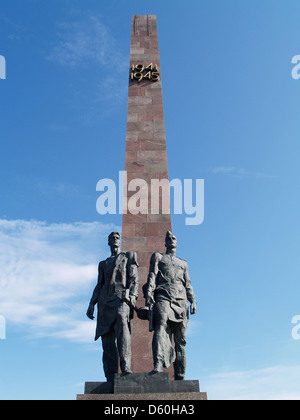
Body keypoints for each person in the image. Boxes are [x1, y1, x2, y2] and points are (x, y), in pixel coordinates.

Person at [86, 232, 139, 381]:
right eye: (112, 238)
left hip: (121, 298)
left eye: (117, 238)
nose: (115, 240)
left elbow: (134, 278)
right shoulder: (103, 264)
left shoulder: (127, 257)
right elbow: (99, 284)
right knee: (107, 339)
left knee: (122, 322)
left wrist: (132, 297)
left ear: (120, 241)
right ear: (108, 242)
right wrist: (92, 303)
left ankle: (125, 365)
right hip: (104, 301)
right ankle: (110, 375)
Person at [144, 231, 197, 380]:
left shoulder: (183, 263)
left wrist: (193, 301)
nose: (171, 240)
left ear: (176, 243)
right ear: (165, 243)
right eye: (169, 238)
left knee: (180, 339)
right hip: (163, 295)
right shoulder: (158, 257)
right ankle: (158, 363)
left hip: (181, 299)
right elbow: (152, 275)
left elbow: (188, 283)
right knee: (160, 326)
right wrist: (149, 292)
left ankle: (180, 374)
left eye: (174, 238)